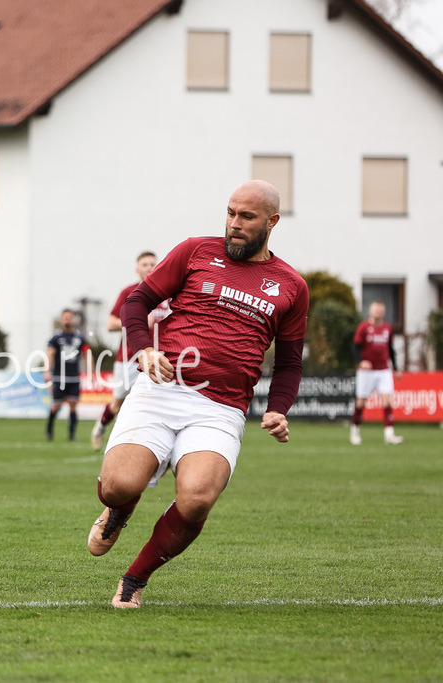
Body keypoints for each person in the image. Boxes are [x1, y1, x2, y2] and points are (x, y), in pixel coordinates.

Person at [86, 180, 309, 608]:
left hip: (221, 409)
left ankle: (134, 579)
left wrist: (279, 409)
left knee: (197, 499)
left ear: (272, 222)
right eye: (230, 213)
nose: (234, 223)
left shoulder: (291, 285)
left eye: (247, 217)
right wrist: (144, 349)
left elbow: (289, 363)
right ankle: (119, 508)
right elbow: (136, 302)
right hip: (162, 389)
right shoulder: (194, 251)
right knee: (117, 486)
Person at [90, 251, 171, 451]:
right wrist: (137, 320)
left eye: (153, 264)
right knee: (118, 403)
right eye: (145, 264)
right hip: (129, 357)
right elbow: (111, 324)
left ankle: (149, 445)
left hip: (159, 356)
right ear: (137, 269)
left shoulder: (167, 293)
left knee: (157, 403)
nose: (149, 267)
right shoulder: (129, 292)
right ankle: (100, 427)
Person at [350, 301, 404, 445]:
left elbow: (391, 350)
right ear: (370, 311)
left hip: (383, 370)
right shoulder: (363, 327)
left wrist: (396, 369)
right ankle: (355, 431)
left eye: (380, 310)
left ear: (384, 312)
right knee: (361, 402)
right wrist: (361, 361)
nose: (378, 312)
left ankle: (389, 434)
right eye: (375, 310)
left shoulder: (387, 328)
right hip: (366, 372)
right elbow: (355, 348)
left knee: (387, 400)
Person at [45, 309, 91, 441]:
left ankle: (72, 434)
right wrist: (47, 371)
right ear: (61, 319)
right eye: (65, 317)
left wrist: (91, 371)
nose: (67, 320)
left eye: (70, 317)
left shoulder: (80, 337)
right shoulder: (56, 338)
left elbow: (87, 354)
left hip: (74, 377)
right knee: (56, 405)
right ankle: (49, 429)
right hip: (59, 377)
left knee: (73, 405)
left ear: (73, 319)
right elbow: (50, 354)